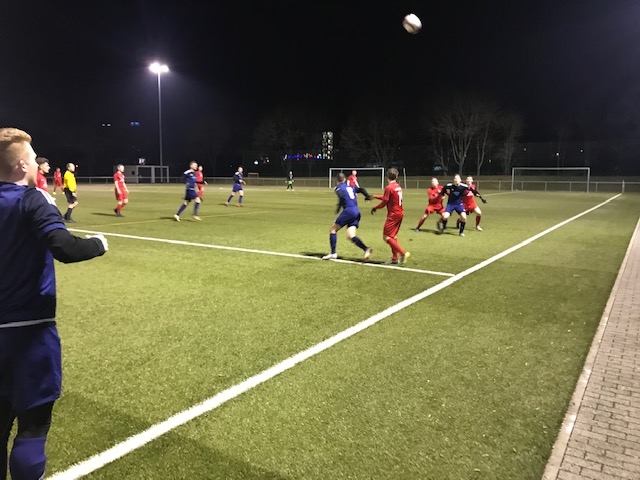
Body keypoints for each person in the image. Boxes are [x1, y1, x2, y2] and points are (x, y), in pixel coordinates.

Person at [0, 127, 108, 480]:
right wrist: (98, 244)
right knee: (32, 427)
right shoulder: (32, 199)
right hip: (28, 333)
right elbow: (63, 247)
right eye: (33, 159)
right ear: (21, 165)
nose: (38, 164)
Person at [322, 172, 372, 261]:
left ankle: (333, 253)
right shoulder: (351, 187)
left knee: (333, 230)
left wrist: (338, 208)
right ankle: (366, 249)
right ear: (345, 179)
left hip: (349, 211)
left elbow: (341, 198)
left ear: (337, 180)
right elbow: (362, 189)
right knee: (351, 235)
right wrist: (368, 196)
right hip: (356, 211)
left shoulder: (338, 188)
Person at [371, 168, 410, 265]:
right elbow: (387, 198)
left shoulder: (389, 187)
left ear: (387, 176)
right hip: (400, 213)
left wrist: (375, 207)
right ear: (396, 177)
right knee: (393, 236)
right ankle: (394, 258)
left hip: (393, 214)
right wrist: (375, 196)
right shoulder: (397, 186)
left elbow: (384, 202)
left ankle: (403, 253)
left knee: (386, 237)